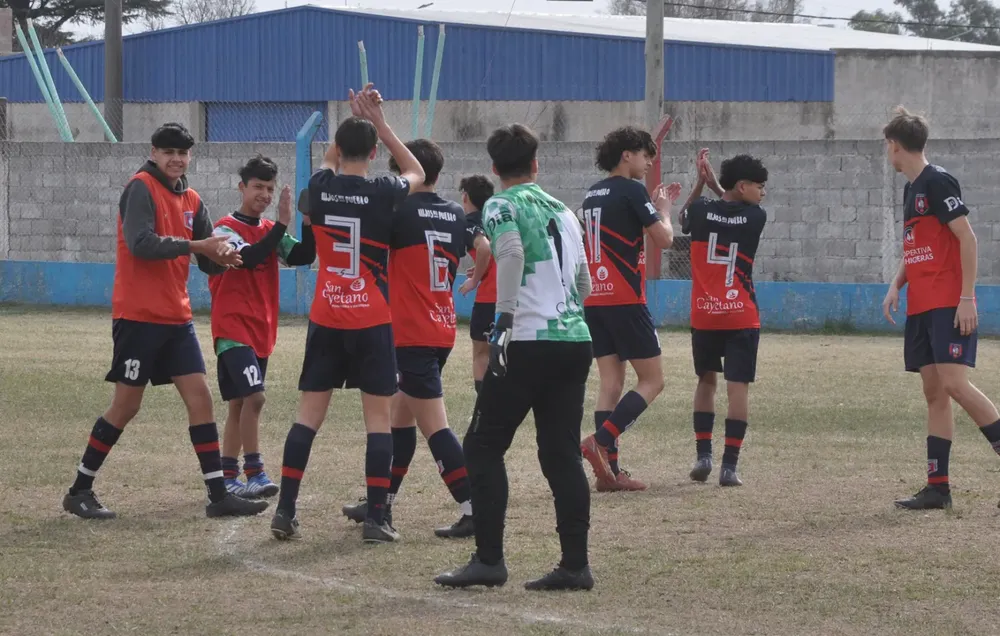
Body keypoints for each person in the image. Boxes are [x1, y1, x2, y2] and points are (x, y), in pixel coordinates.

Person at [61, 123, 268, 520]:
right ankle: (79, 489)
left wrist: (225, 257)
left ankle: (218, 496)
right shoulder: (140, 187)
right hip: (138, 317)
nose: (176, 159)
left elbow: (207, 258)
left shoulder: (192, 198)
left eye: (183, 153)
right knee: (126, 406)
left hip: (177, 319)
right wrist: (197, 245)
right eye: (168, 152)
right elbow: (140, 243)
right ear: (153, 153)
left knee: (201, 399)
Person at [434, 124, 595, 591]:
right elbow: (583, 282)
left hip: (527, 339)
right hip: (573, 339)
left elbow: (509, 251)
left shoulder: (501, 205)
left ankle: (489, 560)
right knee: (561, 453)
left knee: (482, 447)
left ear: (494, 168)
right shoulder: (564, 210)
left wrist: (504, 320)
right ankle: (575, 565)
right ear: (536, 165)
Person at [269, 85, 425, 543]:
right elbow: (416, 170)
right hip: (371, 316)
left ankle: (285, 510)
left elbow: (328, 160)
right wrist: (379, 121)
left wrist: (350, 127)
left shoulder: (320, 187)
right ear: (374, 152)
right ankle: (376, 518)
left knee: (308, 416)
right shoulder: (384, 190)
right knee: (377, 420)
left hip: (327, 315)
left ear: (338, 148)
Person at [340, 140, 486, 539]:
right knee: (398, 419)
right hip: (441, 327)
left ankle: (474, 508)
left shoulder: (399, 210)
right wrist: (475, 277)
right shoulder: (455, 212)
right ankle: (380, 500)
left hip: (410, 333)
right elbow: (482, 247)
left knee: (435, 426)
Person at [880, 106, 1000, 510]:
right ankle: (938, 488)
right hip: (921, 306)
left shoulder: (937, 181)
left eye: (887, 146)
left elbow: (967, 238)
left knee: (954, 385)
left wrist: (966, 298)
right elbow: (916, 246)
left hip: (948, 303)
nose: (887, 153)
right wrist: (897, 285)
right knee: (934, 393)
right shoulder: (910, 190)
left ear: (895, 146)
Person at [577, 126, 680, 492]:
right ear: (627, 155)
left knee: (611, 383)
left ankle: (609, 473)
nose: (649, 162)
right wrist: (664, 210)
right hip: (625, 298)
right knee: (653, 380)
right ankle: (600, 441)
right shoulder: (632, 190)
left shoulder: (592, 193)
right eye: (645, 155)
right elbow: (664, 240)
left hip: (594, 299)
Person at [209, 155, 316, 499]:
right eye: (258, 187)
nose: (265, 195)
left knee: (240, 404)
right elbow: (249, 258)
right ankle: (254, 471)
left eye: (270, 188)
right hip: (233, 328)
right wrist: (282, 225)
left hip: (261, 331)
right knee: (255, 397)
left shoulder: (271, 230)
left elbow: (303, 256)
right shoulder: (224, 229)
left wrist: (308, 220)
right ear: (242, 187)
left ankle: (227, 476)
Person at [679, 148, 768, 488]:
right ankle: (729, 467)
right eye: (759, 186)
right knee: (737, 387)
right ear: (743, 186)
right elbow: (732, 208)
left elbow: (685, 216)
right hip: (741, 314)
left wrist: (702, 184)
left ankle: (703, 455)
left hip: (705, 314)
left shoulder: (702, 210)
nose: (762, 192)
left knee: (706, 381)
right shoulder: (756, 217)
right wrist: (717, 185)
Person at [456, 174, 498, 394]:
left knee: (481, 353)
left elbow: (484, 248)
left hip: (491, 297)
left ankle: (484, 404)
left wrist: (474, 280)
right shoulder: (498, 218)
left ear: (465, 197)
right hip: (515, 294)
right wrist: (481, 270)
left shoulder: (470, 222)